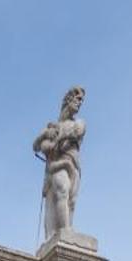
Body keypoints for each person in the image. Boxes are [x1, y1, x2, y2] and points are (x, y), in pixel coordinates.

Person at [33, 86, 86, 237]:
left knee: (71, 202)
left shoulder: (79, 123)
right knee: (62, 190)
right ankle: (66, 232)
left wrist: (56, 139)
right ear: (68, 100)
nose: (79, 103)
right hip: (58, 166)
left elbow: (77, 133)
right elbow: (37, 147)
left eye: (81, 101)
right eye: (77, 100)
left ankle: (61, 232)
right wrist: (46, 133)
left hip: (74, 165)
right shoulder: (52, 128)